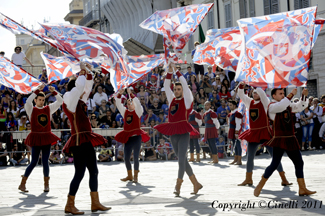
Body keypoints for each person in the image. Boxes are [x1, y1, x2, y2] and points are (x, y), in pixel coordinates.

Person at [62, 62, 110, 214]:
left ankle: (95, 203)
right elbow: (81, 87)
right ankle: (69, 204)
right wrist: (81, 74)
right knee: (80, 173)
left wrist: (87, 71)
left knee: (94, 171)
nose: (84, 94)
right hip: (78, 141)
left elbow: (86, 87)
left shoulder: (79, 101)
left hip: (85, 140)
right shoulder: (69, 98)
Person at [254, 88, 316, 197]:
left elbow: (300, 106)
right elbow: (281, 106)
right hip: (279, 139)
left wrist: (304, 96)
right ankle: (260, 185)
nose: (283, 95)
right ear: (274, 96)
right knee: (275, 163)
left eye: (284, 93)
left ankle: (302, 188)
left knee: (299, 162)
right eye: (280, 93)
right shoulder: (271, 106)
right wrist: (291, 94)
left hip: (290, 138)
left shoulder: (289, 105)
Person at [154, 62, 202, 197]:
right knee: (183, 160)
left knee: (181, 159)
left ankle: (178, 186)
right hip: (173, 133)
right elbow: (165, 85)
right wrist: (169, 71)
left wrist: (177, 71)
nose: (176, 91)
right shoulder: (172, 99)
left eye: (178, 89)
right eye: (175, 89)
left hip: (183, 132)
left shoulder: (187, 100)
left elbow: (185, 86)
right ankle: (196, 183)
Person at [237, 82, 291, 187]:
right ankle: (248, 179)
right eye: (253, 92)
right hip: (254, 133)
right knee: (250, 156)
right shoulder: (249, 102)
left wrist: (254, 84)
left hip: (265, 132)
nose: (255, 94)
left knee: (274, 157)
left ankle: (284, 179)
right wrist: (241, 85)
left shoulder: (265, 102)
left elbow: (261, 93)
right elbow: (241, 95)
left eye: (256, 92)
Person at [18, 84, 62, 193]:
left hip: (46, 137)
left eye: (43, 100)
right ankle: (22, 183)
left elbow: (60, 101)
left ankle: (46, 185)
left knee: (45, 161)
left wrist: (54, 91)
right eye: (39, 100)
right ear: (36, 100)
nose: (42, 102)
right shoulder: (31, 109)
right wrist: (37, 91)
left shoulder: (48, 109)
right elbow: (28, 101)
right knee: (33, 162)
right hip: (36, 138)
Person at [115, 88, 150, 183]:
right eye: (128, 103)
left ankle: (135, 176)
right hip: (128, 138)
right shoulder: (125, 112)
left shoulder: (138, 111)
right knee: (126, 157)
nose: (130, 104)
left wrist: (131, 95)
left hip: (136, 137)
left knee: (135, 157)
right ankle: (129, 175)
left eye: (131, 102)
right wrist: (119, 94)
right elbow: (118, 104)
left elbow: (138, 104)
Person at [227, 101, 243, 165]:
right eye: (229, 105)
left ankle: (239, 160)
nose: (229, 106)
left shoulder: (237, 113)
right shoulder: (231, 114)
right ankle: (235, 159)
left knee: (238, 145)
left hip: (236, 131)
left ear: (234, 106)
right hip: (232, 130)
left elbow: (238, 124)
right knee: (234, 145)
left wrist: (236, 133)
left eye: (231, 105)